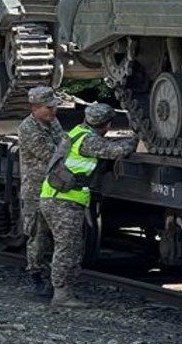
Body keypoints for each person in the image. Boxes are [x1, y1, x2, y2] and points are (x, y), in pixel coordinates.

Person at [38, 101, 138, 307]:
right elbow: (117, 150)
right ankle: (61, 295)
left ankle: (61, 289)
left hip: (58, 198)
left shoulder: (78, 132)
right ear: (107, 125)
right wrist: (137, 138)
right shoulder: (88, 141)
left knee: (68, 247)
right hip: (63, 201)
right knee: (68, 248)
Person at [16, 86, 68, 293]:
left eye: (54, 107)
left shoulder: (52, 121)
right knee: (37, 234)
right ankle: (36, 275)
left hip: (54, 187)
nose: (53, 112)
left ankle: (57, 276)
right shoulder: (28, 128)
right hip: (36, 189)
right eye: (49, 108)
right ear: (35, 108)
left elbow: (63, 142)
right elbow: (52, 154)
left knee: (57, 234)